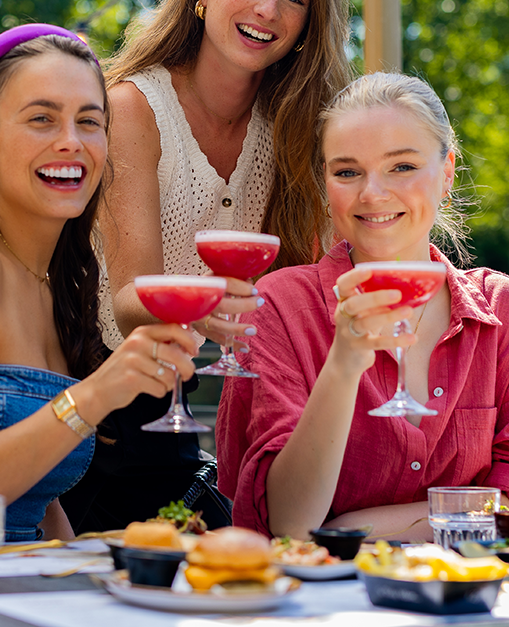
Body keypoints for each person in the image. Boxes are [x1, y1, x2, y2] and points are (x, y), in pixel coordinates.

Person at [61, 0, 352, 532]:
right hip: (82, 410)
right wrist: (216, 299)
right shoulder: (134, 108)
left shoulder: (295, 132)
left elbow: (316, 280)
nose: (267, 10)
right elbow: (129, 299)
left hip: (173, 407)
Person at [0, 24, 197, 541]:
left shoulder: (57, 284)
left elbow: (36, 499)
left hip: (24, 591)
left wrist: (98, 561)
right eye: (42, 119)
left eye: (90, 122)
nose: (71, 141)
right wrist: (97, 395)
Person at [216, 72, 509, 542]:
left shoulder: (500, 308)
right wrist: (345, 363)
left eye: (402, 166)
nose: (372, 193)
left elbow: (507, 505)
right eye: (347, 171)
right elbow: (291, 525)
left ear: (448, 174)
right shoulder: (279, 306)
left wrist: (361, 529)